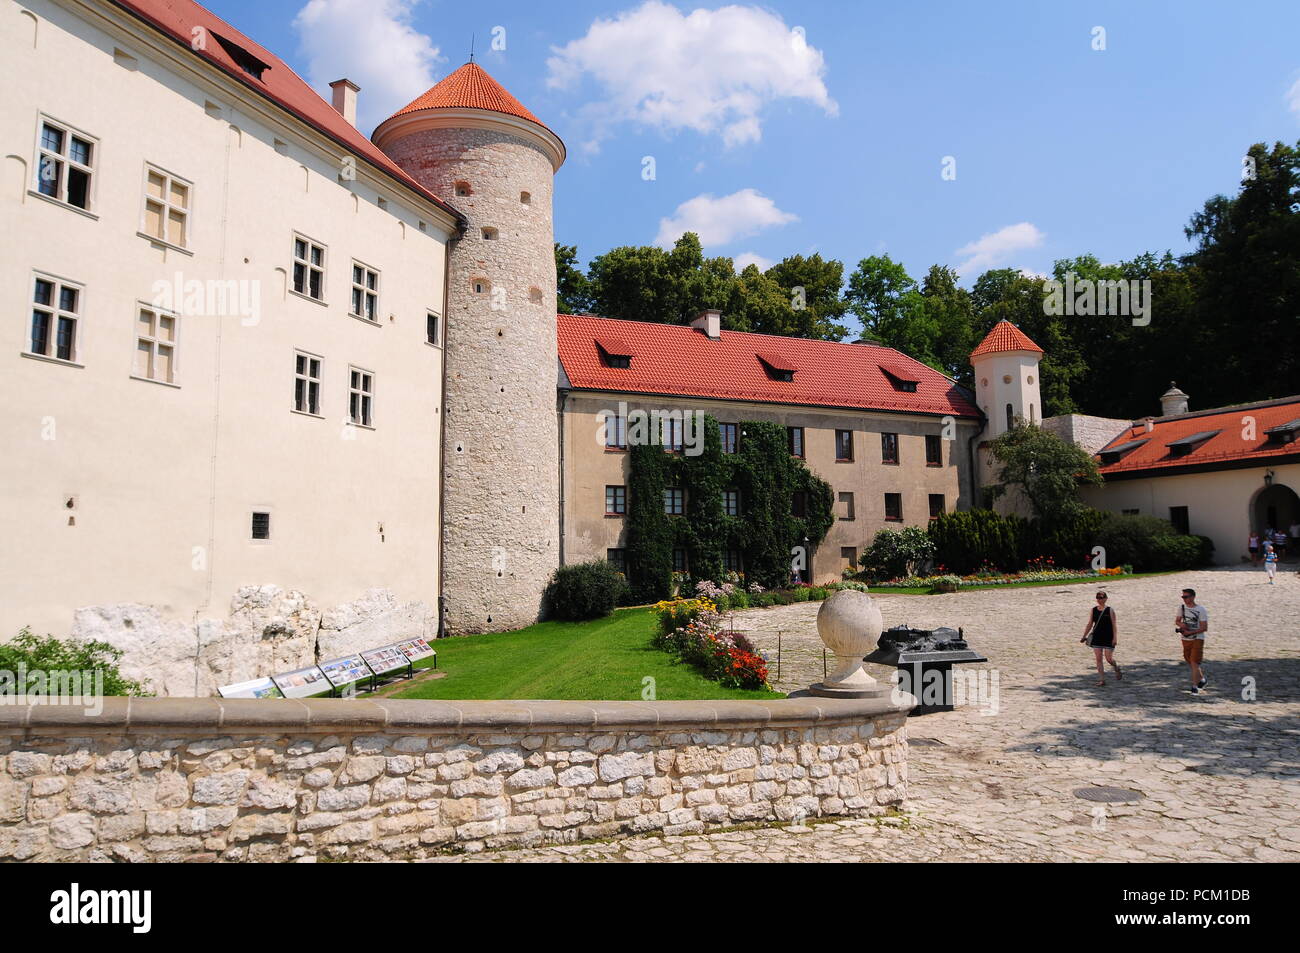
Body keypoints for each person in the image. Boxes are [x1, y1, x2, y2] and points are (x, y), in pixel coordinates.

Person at [1080, 590, 1120, 686]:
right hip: (1097, 637)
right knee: (1098, 659)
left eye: (1101, 598)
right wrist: (1084, 636)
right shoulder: (1093, 610)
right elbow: (1090, 624)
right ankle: (1102, 680)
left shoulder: (1110, 610)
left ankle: (1116, 667)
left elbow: (1114, 625)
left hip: (1108, 637)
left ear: (1106, 599)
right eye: (1098, 598)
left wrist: (1115, 638)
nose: (1099, 600)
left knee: (1109, 659)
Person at [1175, 588, 1209, 695]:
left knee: (1194, 661)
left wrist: (1191, 632)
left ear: (1193, 597)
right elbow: (1177, 621)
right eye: (1183, 597)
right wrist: (1182, 626)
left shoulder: (1201, 610)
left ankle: (1194, 686)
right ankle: (1202, 679)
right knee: (1189, 660)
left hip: (1197, 638)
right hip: (1185, 639)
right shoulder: (1181, 608)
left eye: (1186, 597)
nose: (1184, 599)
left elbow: (1204, 627)